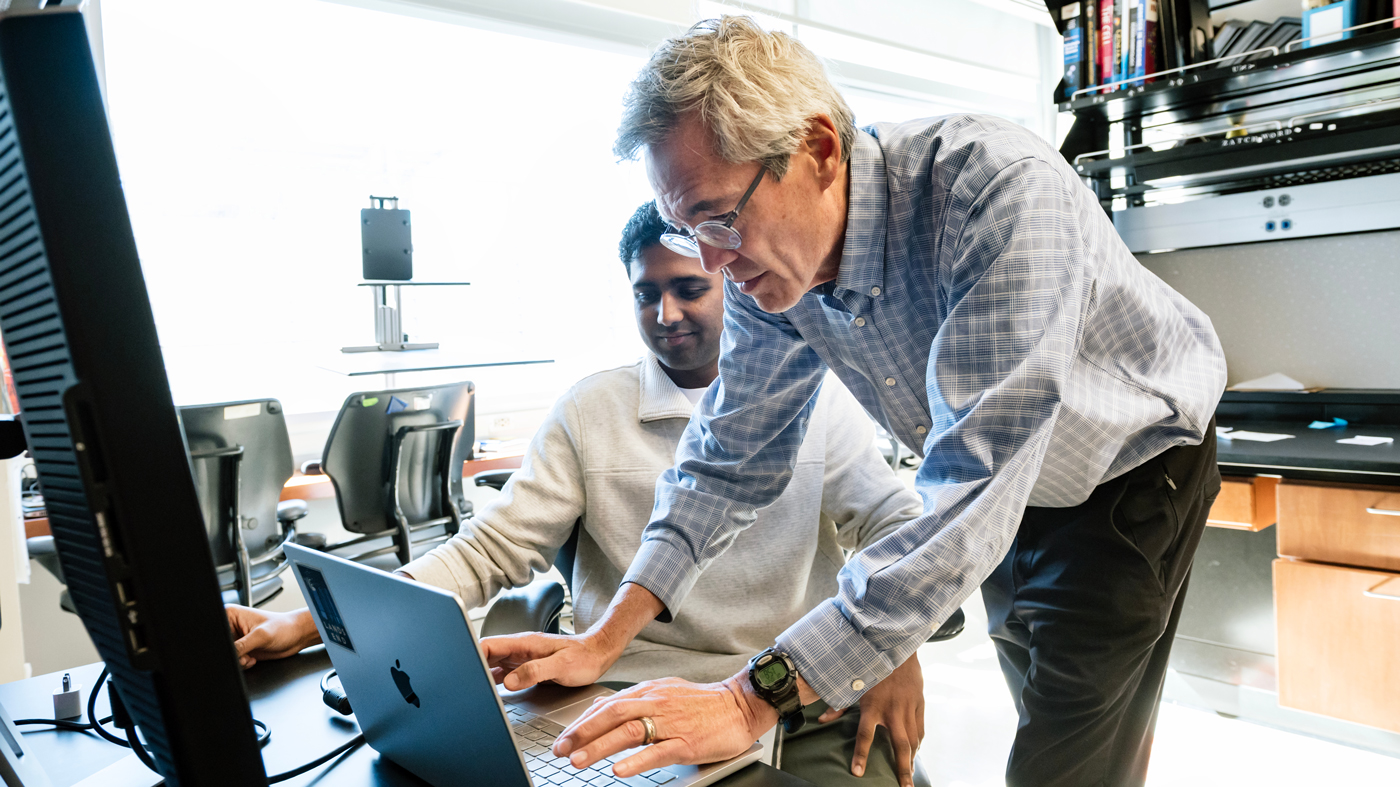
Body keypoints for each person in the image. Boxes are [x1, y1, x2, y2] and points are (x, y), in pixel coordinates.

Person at [482, 16, 1228, 787]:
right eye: (683, 225)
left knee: (1068, 755)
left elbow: (966, 495)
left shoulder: (997, 194)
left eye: (716, 218)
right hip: (1015, 489)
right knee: (1045, 692)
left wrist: (747, 701)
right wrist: (602, 640)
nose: (708, 260)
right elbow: (727, 463)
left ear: (818, 150)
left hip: (1132, 463)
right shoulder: (768, 268)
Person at [226, 200, 931, 787]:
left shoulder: (820, 404)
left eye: (689, 288)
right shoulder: (590, 409)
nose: (665, 312)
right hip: (611, 693)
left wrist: (895, 649)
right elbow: (488, 550)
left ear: (733, 282)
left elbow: (898, 525)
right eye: (645, 292)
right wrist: (310, 622)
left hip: (771, 694)